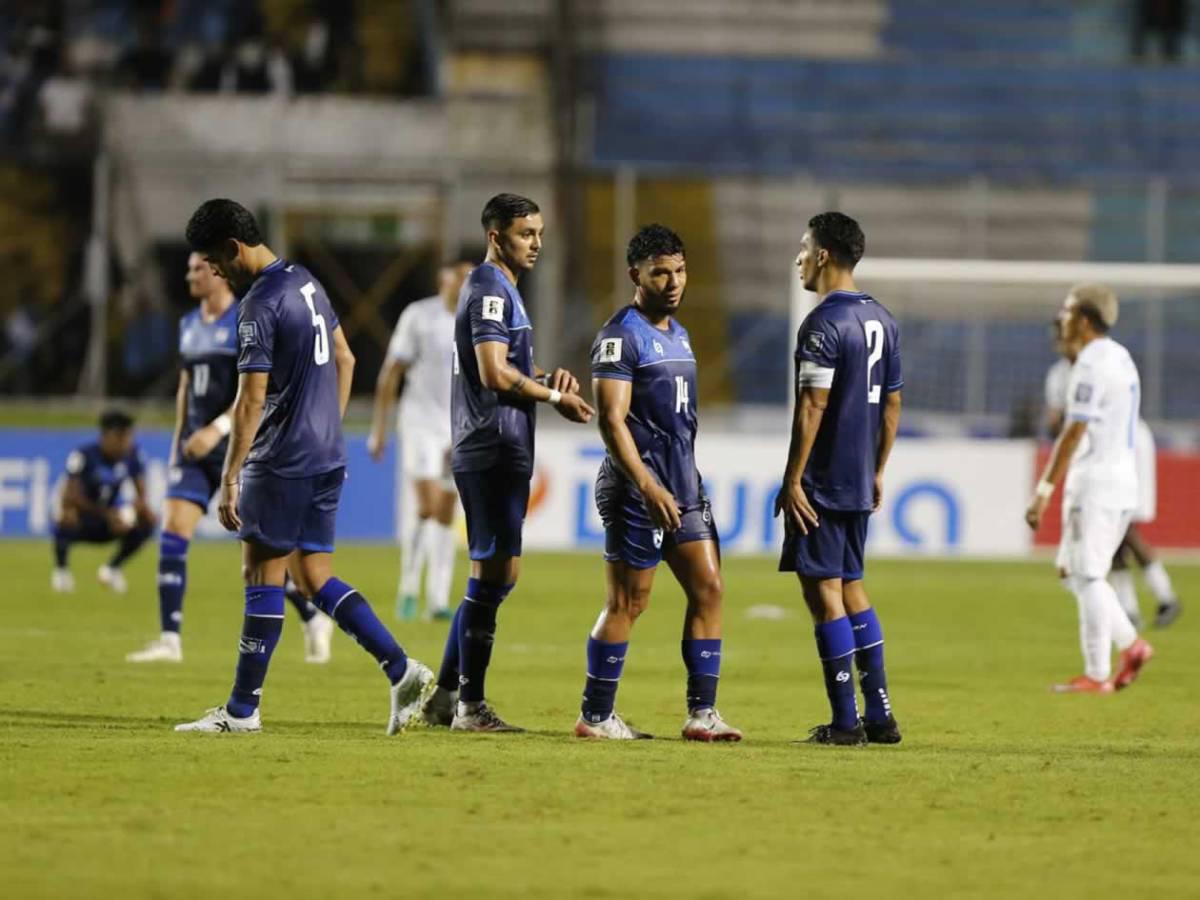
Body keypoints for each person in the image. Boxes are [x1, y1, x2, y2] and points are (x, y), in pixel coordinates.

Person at [174, 198, 431, 734]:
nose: (215, 272)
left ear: (233, 248)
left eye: (215, 261)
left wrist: (230, 475)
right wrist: (327, 430)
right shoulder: (305, 281)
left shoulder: (258, 303)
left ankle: (242, 711)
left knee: (261, 574)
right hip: (326, 454)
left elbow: (251, 399)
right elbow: (346, 358)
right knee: (313, 576)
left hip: (281, 458)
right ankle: (402, 669)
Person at [420, 193, 594, 733]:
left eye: (539, 233)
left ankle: (446, 696)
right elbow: (494, 373)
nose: (536, 243)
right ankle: (468, 706)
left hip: (501, 444)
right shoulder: (491, 288)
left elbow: (509, 367)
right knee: (491, 573)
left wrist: (545, 378)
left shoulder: (503, 289)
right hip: (491, 444)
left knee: (497, 574)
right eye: (525, 234)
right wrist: (554, 398)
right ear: (496, 237)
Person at [572, 224, 742, 742]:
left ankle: (702, 714)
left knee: (709, 588)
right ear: (635, 275)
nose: (673, 282)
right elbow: (611, 421)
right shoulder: (620, 336)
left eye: (680, 270)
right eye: (660, 273)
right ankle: (595, 717)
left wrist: (678, 481)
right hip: (636, 490)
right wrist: (647, 487)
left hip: (683, 487)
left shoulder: (678, 333)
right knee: (629, 603)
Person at [125, 255, 335, 665]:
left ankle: (313, 617)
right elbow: (186, 386)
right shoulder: (188, 324)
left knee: (262, 555)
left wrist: (217, 430)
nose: (189, 274)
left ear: (218, 273)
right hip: (194, 451)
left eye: (197, 268)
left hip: (240, 449)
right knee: (173, 532)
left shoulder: (246, 318)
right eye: (188, 267)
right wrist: (179, 441)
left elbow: (258, 390)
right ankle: (170, 640)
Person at [775, 212, 903, 746]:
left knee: (824, 590)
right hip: (857, 478)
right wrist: (877, 469)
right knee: (851, 586)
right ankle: (881, 715)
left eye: (804, 247)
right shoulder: (883, 321)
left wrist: (793, 479)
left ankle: (846, 723)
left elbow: (813, 405)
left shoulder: (823, 323)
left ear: (824, 255)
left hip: (824, 480)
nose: (799, 258)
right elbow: (892, 404)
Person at [1026, 288, 1154, 694]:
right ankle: (1103, 668)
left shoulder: (1089, 364)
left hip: (1095, 483)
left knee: (1087, 574)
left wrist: (1044, 490)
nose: (1060, 319)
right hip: (1122, 481)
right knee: (1073, 571)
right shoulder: (1121, 356)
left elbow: (1074, 430)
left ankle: (1124, 651)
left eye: (1066, 312)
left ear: (1083, 320)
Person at [1043, 292, 1182, 630]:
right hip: (1098, 455)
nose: (1060, 339)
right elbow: (1055, 425)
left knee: (1123, 528)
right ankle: (1130, 609)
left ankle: (1165, 596)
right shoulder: (1059, 376)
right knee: (1113, 539)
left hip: (1126, 450)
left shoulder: (1105, 361)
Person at [367, 260, 472, 622]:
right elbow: (391, 372)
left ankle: (437, 599)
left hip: (457, 427)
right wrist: (379, 429)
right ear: (444, 279)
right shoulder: (419, 316)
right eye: (461, 276)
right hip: (420, 423)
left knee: (447, 511)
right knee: (427, 505)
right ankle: (409, 587)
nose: (467, 283)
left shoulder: (476, 321)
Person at [51, 410, 157, 594]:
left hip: (111, 519)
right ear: (105, 436)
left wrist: (128, 513)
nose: (125, 442)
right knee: (66, 514)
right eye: (120, 437)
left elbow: (142, 495)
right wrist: (107, 514)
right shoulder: (83, 455)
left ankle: (112, 569)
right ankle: (62, 571)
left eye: (128, 437)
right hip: (85, 516)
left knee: (148, 518)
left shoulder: (133, 455)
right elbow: (71, 495)